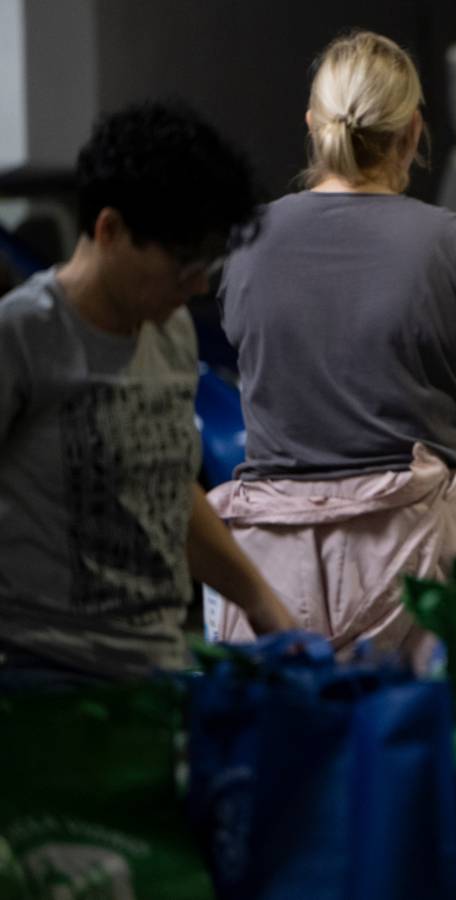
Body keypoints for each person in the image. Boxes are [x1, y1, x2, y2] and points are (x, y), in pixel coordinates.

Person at [209, 31, 456, 653]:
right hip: (418, 556)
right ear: (413, 131)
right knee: (428, 745)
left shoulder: (248, 240)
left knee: (288, 747)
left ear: (313, 124)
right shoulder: (451, 243)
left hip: (271, 561)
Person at [0, 101, 296, 683]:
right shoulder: (21, 337)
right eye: (182, 264)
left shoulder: (172, 331)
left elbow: (164, 490)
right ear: (110, 230)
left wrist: (263, 603)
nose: (195, 286)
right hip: (44, 684)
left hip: (157, 671)